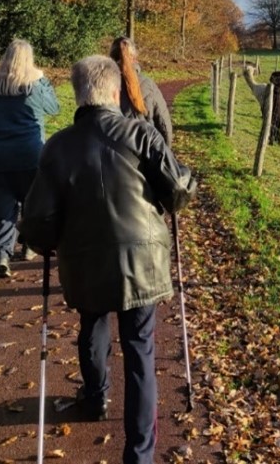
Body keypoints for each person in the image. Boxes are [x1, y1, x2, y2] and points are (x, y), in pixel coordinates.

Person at [20, 55, 197, 464]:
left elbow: (38, 220)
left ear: (78, 93)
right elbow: (177, 191)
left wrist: (43, 240)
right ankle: (139, 455)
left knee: (92, 324)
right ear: (116, 92)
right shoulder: (143, 135)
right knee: (139, 351)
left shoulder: (57, 147)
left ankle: (96, 396)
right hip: (143, 264)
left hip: (84, 264)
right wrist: (190, 182)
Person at [0, 39, 59, 278]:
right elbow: (55, 108)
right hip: (30, 153)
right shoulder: (34, 85)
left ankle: (1, 255)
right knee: (32, 203)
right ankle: (29, 246)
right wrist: (43, 79)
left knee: (2, 206)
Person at [109, 36, 173, 146]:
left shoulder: (101, 85)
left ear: (111, 58)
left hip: (111, 154)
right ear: (134, 57)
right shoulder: (147, 84)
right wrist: (165, 152)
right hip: (145, 151)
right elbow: (164, 124)